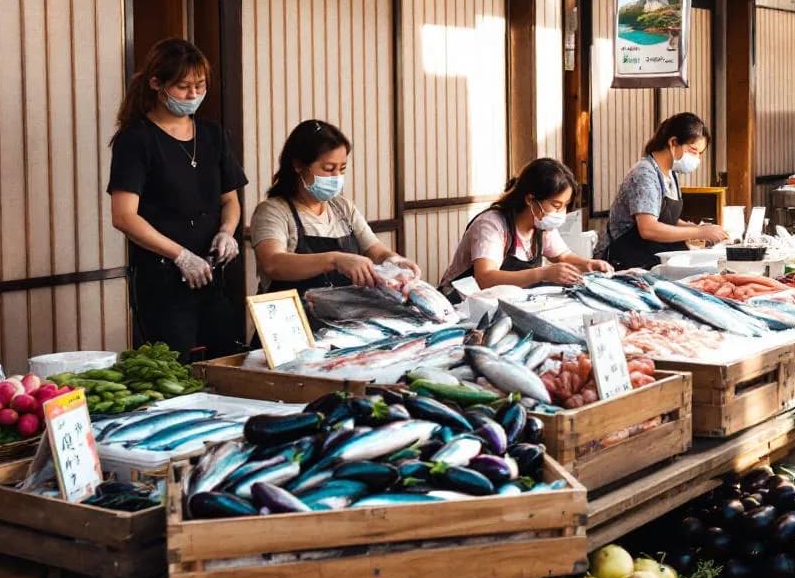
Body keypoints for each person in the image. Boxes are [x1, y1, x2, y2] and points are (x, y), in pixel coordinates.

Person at [108, 38, 247, 360]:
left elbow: (230, 200)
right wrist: (180, 255)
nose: (193, 95)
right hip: (163, 279)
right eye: (183, 87)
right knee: (175, 367)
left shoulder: (212, 135)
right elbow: (124, 216)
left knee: (227, 362)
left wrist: (227, 232)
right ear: (156, 83)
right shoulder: (136, 139)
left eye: (200, 86)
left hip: (215, 274)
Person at [251, 120, 420, 322]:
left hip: (342, 322)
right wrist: (334, 260)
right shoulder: (273, 211)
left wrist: (394, 261)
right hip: (291, 324)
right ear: (298, 165)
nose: (336, 177)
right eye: (328, 168)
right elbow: (272, 263)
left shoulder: (343, 207)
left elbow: (375, 250)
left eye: (342, 169)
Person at [439, 159, 613, 299]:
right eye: (556, 205)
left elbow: (562, 256)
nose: (561, 212)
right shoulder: (491, 225)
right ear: (530, 199)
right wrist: (542, 273)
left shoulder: (541, 224)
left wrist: (588, 264)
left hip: (503, 300)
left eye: (565, 205)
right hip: (461, 303)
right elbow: (485, 278)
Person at [595, 113, 728, 270]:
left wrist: (697, 228)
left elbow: (666, 218)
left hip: (650, 253)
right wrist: (698, 232)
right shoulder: (644, 174)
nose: (697, 159)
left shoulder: (671, 174)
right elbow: (648, 228)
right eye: (693, 150)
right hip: (623, 259)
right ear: (673, 143)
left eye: (700, 153)